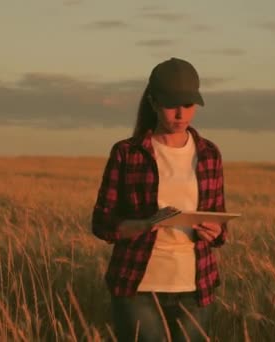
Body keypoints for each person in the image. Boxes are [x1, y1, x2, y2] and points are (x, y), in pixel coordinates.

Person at [92, 57, 228, 342]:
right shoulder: (127, 153)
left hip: (195, 287)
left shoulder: (209, 153)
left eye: (189, 106)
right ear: (153, 103)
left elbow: (218, 221)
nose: (181, 115)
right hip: (137, 286)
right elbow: (103, 223)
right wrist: (143, 224)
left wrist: (214, 231)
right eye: (171, 106)